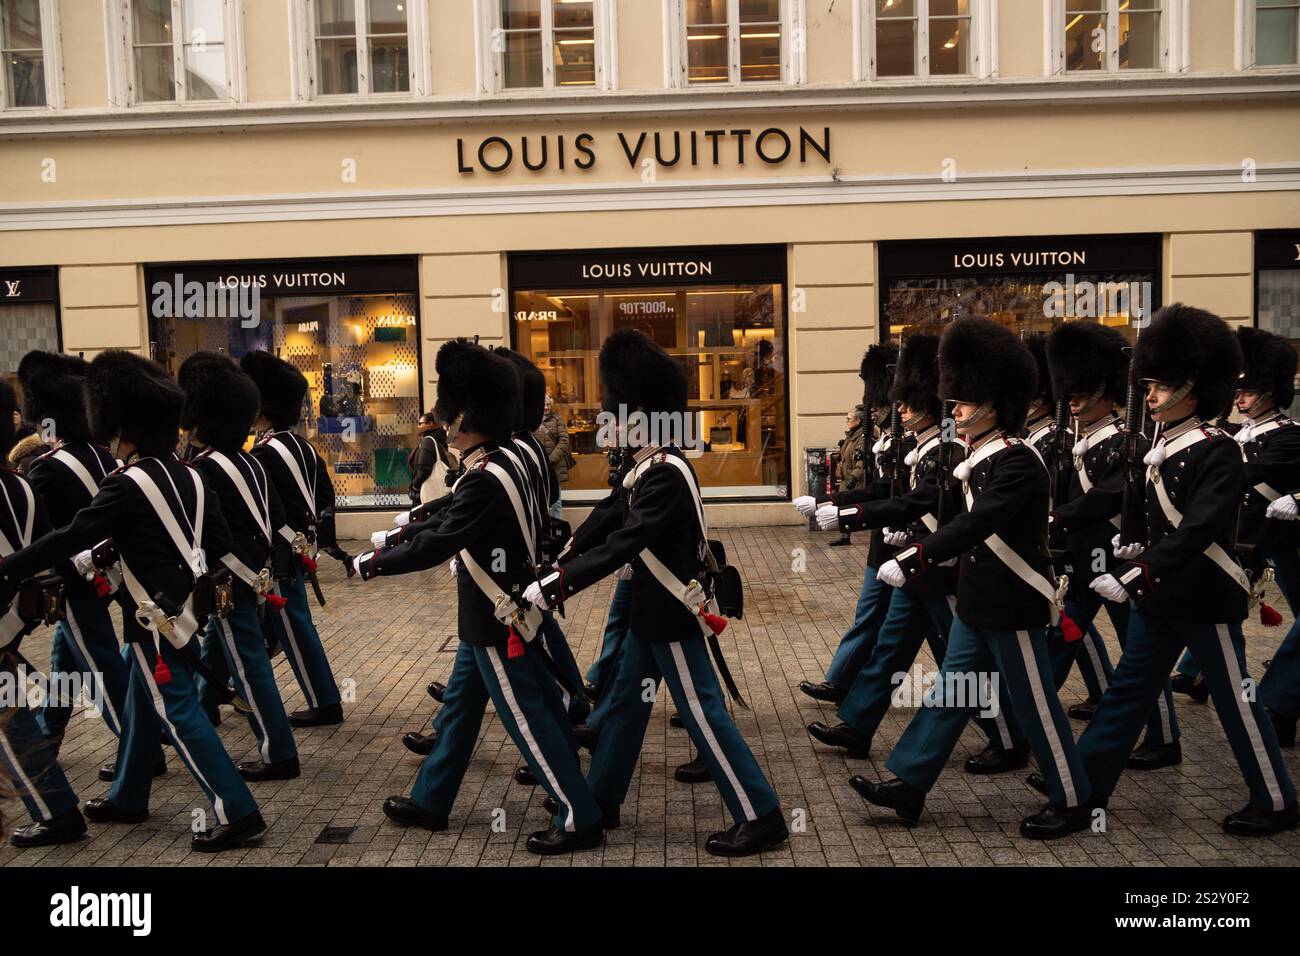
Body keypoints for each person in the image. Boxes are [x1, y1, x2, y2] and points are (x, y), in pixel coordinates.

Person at [524, 329, 788, 857]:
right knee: (622, 705)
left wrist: (557, 585)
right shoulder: (646, 466)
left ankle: (761, 814)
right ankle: (600, 800)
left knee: (700, 710)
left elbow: (627, 540)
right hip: (652, 612)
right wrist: (558, 559)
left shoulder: (665, 471)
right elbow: (607, 518)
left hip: (670, 611)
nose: (607, 423)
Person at [0, 350, 264, 852]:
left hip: (150, 615)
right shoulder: (191, 474)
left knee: (178, 712)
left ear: (124, 428)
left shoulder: (125, 483)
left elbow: (69, 536)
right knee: (143, 706)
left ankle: (238, 808)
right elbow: (217, 540)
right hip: (187, 609)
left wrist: (10, 567)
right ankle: (128, 793)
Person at [357, 339, 604, 855]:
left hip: (497, 613)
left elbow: (445, 538)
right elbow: (449, 515)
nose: (445, 423)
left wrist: (375, 564)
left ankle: (580, 813)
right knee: (461, 710)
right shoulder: (494, 463)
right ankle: (432, 798)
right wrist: (404, 533)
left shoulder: (488, 471)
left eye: (451, 414)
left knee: (526, 716)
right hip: (489, 611)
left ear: (465, 415)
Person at [851, 317, 1094, 840]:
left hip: (1014, 599)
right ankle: (910, 784)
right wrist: (857, 514)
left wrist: (916, 558)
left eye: (962, 401)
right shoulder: (980, 455)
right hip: (979, 600)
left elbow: (977, 523)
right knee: (951, 692)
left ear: (991, 403)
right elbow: (936, 506)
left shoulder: (1018, 461)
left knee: (1035, 704)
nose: (953, 410)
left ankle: (1073, 798)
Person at [1071, 304, 1297, 837]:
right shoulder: (1160, 443)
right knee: (1128, 694)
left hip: (1203, 597)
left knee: (1237, 702)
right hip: (1163, 596)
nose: (1148, 396)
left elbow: (1197, 530)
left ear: (1192, 390)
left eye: (1159, 386)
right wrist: (1132, 544)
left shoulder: (1218, 450)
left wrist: (1138, 571)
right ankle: (1081, 787)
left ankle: (1276, 796)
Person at [808, 333, 1023, 772]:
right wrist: (839, 505)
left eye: (908, 402)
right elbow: (892, 492)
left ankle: (1009, 736)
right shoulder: (924, 444)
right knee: (889, 647)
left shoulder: (948, 447)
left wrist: (851, 517)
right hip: (918, 567)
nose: (901, 410)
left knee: (958, 663)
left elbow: (919, 504)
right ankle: (857, 723)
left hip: (939, 568)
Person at [1046, 321, 1180, 767]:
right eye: (1070, 392)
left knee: (1139, 658)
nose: (1074, 400)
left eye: (1082, 391)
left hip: (1122, 563)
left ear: (1107, 391)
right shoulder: (1077, 440)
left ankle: (1164, 738)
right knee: (1060, 641)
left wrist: (1054, 519)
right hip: (1082, 563)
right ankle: (1030, 725)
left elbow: (1103, 499)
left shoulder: (1128, 441)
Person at [18, 352, 143, 773]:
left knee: (102, 667)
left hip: (73, 580)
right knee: (65, 663)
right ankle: (46, 739)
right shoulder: (105, 456)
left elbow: (42, 537)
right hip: (114, 570)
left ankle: (141, 750)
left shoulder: (46, 469)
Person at [179, 352, 301, 782]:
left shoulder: (203, 467)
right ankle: (199, 710)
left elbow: (203, 530)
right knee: (218, 646)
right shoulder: (250, 460)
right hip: (253, 568)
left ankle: (278, 751)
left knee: (250, 665)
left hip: (228, 576)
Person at [0, 382, 87, 848]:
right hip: (18, 616)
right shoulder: (21, 482)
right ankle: (57, 809)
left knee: (13, 722)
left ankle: (57, 811)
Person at [793, 343, 903, 704]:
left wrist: (843, 511)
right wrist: (831, 502)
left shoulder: (911, 437)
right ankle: (842, 684)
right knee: (870, 616)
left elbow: (900, 493)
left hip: (921, 545)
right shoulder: (886, 434)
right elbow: (878, 488)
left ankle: (998, 707)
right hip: (886, 539)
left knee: (939, 634)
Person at [241, 351, 344, 728]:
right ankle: (218, 694)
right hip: (301, 545)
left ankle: (325, 700)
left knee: (295, 628)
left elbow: (269, 511)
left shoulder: (264, 453)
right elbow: (324, 498)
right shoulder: (303, 447)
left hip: (280, 552)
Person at [1232, 327, 1300, 749]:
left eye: (1249, 392)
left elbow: (1247, 477)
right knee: (1223, 610)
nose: (1240, 399)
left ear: (1272, 393)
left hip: (1284, 540)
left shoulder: (1289, 435)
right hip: (1251, 537)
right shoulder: (1239, 433)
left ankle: (1278, 702)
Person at [830, 405, 868, 547]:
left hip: (853, 479)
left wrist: (854, 477)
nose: (847, 421)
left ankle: (845, 536)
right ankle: (845, 535)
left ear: (858, 420)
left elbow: (861, 460)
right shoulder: (852, 435)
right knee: (843, 507)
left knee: (848, 508)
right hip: (846, 478)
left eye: (849, 419)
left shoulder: (862, 437)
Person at [534, 393, 571, 523]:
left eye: (548, 404)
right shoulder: (533, 421)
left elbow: (564, 440)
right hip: (538, 466)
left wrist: (549, 459)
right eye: (543, 405)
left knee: (556, 502)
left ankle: (556, 530)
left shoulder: (557, 419)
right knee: (540, 500)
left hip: (554, 466)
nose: (546, 407)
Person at [407, 411, 455, 506]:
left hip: (426, 493)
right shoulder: (438, 439)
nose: (418, 426)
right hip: (437, 495)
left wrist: (414, 486)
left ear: (431, 423)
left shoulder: (428, 441)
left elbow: (424, 469)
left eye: (421, 423)